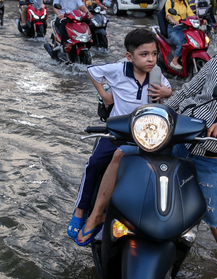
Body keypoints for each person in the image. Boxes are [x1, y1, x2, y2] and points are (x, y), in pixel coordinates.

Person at [76, 18, 217, 268]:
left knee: (214, 215)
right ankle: (97, 215)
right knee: (123, 156)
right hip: (178, 140)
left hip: (210, 156)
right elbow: (187, 91)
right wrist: (156, 117)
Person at [67, 28, 173, 242]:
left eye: (154, 53)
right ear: (129, 56)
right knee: (95, 163)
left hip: (146, 133)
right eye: (144, 55)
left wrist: (166, 92)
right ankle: (80, 210)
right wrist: (106, 96)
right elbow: (92, 71)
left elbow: (167, 89)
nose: (150, 59)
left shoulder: (156, 73)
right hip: (117, 131)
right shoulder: (118, 70)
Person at [165, 0, 195, 70]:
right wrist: (173, 21)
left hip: (184, 27)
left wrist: (198, 19)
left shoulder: (184, 2)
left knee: (192, 41)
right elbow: (168, 15)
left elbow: (190, 13)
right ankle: (174, 61)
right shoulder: (170, 2)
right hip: (173, 28)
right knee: (181, 42)